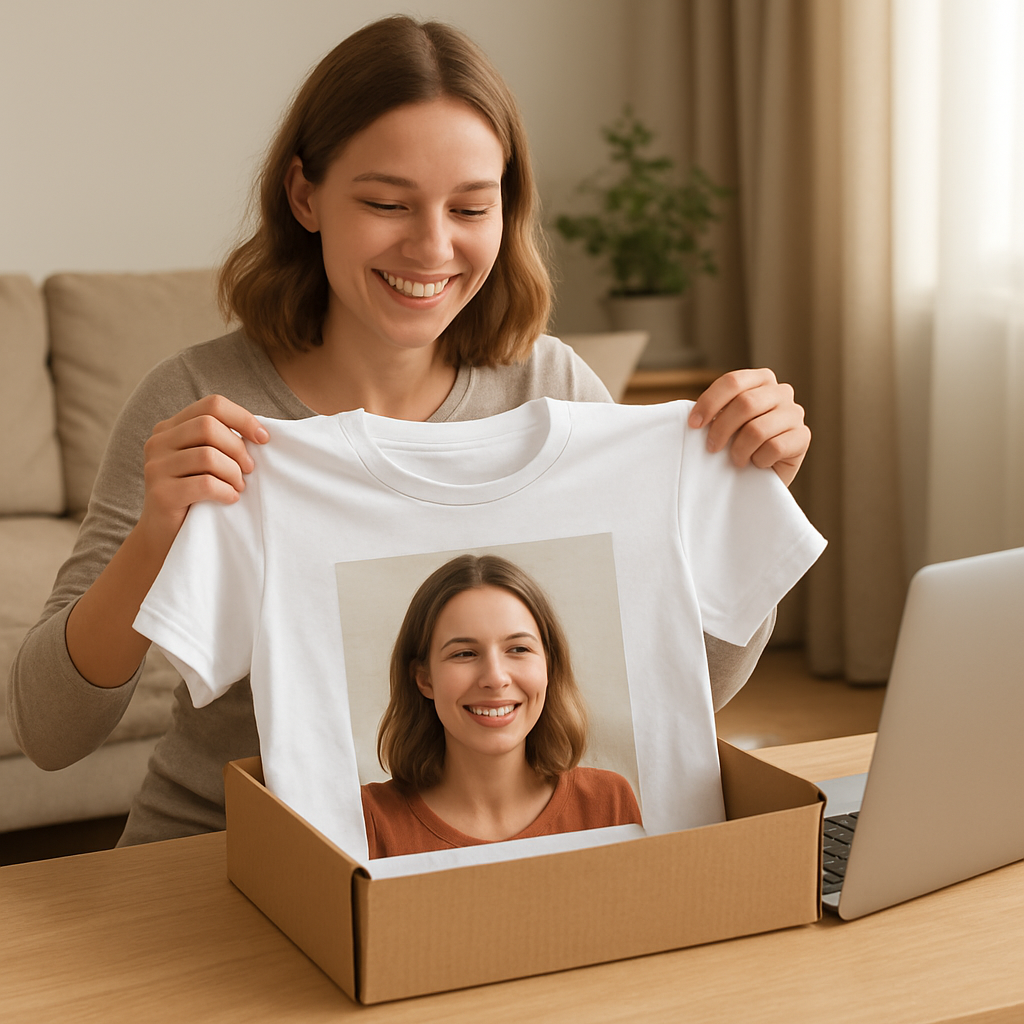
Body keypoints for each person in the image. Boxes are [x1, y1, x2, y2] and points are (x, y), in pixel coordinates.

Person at [7, 16, 811, 846]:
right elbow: (50, 732)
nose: (432, 247)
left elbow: (669, 695)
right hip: (221, 845)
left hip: (463, 869)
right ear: (304, 196)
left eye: (471, 207)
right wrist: (154, 540)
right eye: (387, 203)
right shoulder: (203, 405)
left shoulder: (556, 389)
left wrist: (744, 497)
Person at [362, 554, 641, 859]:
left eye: (518, 649)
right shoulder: (368, 822)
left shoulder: (608, 804)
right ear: (424, 679)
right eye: (464, 653)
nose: (495, 679)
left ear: (548, 665)